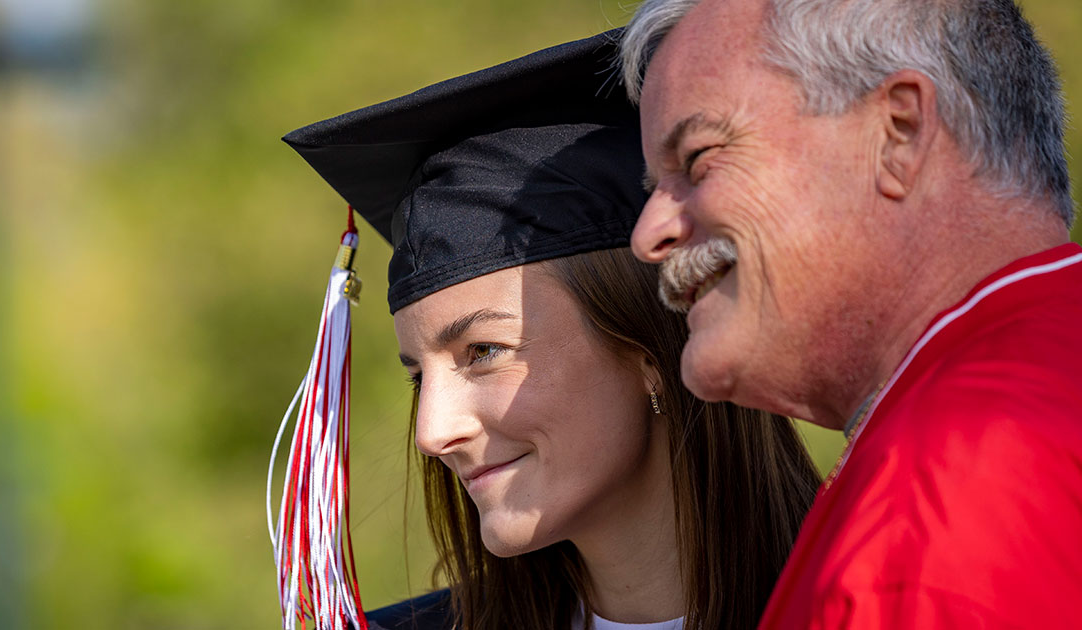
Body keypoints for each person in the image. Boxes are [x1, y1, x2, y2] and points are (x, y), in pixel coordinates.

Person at [284, 31, 822, 630]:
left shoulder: (888, 599)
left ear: (652, 352)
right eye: (418, 378)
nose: (432, 435)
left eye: (484, 351)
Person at [618, 0, 1082, 627]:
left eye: (699, 160)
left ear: (899, 133)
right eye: (653, 188)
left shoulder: (947, 494)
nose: (649, 237)